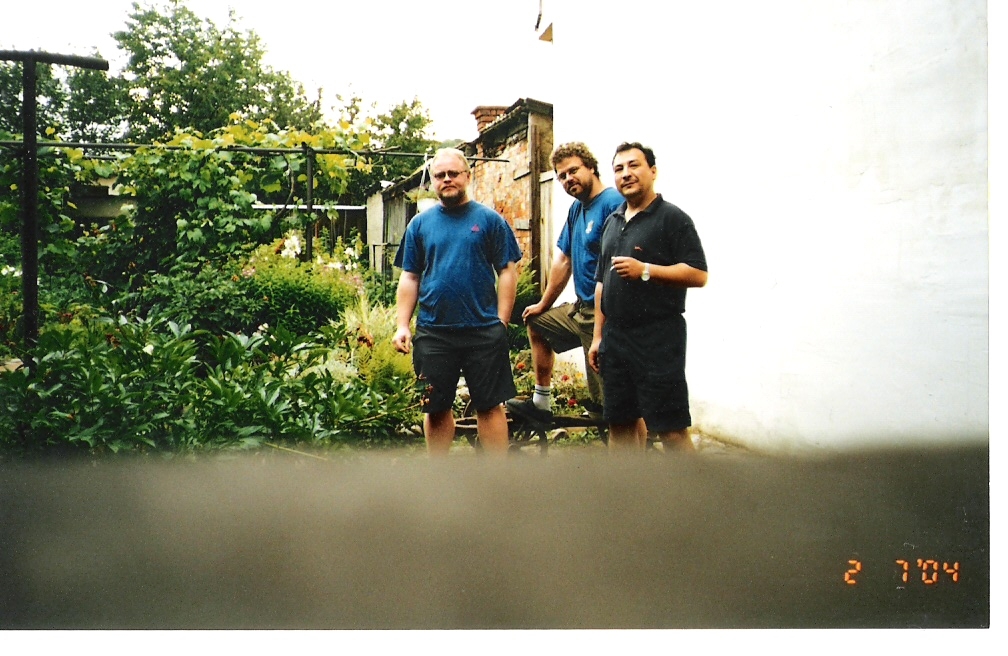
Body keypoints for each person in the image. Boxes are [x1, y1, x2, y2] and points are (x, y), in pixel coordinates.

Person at [392, 148, 523, 455]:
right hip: (434, 332)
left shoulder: (490, 221)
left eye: (453, 173)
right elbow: (410, 276)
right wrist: (402, 325)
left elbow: (507, 270)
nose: (447, 179)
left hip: (483, 330)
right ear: (432, 181)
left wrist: (501, 322)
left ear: (467, 176)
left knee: (490, 405)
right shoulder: (419, 225)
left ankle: (497, 475)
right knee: (435, 406)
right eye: (440, 175)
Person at [588, 142, 708, 452]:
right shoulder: (612, 221)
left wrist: (645, 270)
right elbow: (601, 283)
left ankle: (695, 484)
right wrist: (598, 337)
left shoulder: (672, 218)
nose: (626, 174)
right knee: (620, 426)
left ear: (653, 171)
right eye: (619, 168)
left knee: (670, 430)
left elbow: (698, 274)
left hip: (658, 338)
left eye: (634, 165)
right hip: (615, 338)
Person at [505, 142, 624, 424]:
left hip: (605, 313)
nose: (568, 179)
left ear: (591, 167)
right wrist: (543, 304)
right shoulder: (576, 209)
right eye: (562, 176)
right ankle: (541, 403)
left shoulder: (612, 203)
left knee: (612, 408)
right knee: (538, 323)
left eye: (573, 171)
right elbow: (564, 261)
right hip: (580, 309)